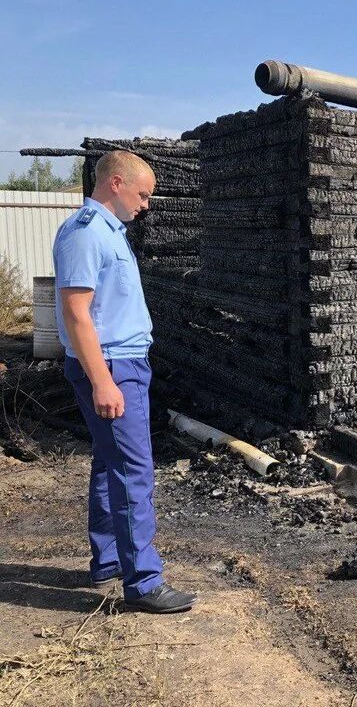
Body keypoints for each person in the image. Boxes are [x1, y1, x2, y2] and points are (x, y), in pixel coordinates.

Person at [53, 150, 197, 614]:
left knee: (108, 461)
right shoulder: (87, 235)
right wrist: (103, 381)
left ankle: (109, 560)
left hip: (122, 363)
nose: (146, 204)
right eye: (143, 194)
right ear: (116, 183)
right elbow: (77, 314)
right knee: (133, 469)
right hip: (112, 366)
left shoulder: (107, 232)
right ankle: (144, 581)